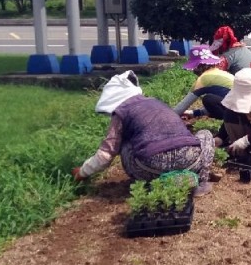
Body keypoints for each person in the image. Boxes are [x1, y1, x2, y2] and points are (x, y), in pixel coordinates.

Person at [73, 71, 215, 194]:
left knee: (125, 143)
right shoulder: (154, 102)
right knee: (206, 134)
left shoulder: (121, 112)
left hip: (150, 168)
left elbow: (105, 155)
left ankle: (156, 182)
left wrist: (82, 172)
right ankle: (200, 180)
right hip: (190, 160)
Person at [172, 44, 234, 119]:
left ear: (197, 66)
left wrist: (167, 116)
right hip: (243, 107)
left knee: (208, 99)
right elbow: (220, 103)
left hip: (235, 110)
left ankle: (230, 121)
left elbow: (181, 108)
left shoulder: (203, 79)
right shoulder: (219, 72)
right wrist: (194, 113)